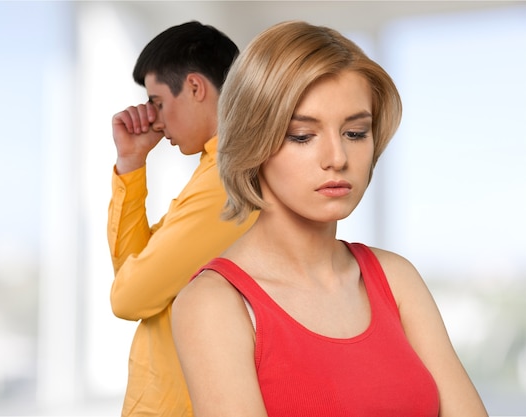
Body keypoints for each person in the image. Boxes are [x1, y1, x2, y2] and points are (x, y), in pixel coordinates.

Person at [172, 21, 488, 417]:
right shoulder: (215, 303)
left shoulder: (395, 276)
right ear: (254, 140)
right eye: (303, 136)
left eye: (356, 133)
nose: (338, 158)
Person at [108, 21, 258, 417]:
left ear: (194, 87)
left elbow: (128, 298)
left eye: (157, 102)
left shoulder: (228, 180)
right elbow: (132, 270)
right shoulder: (213, 170)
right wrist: (131, 164)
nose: (155, 120)